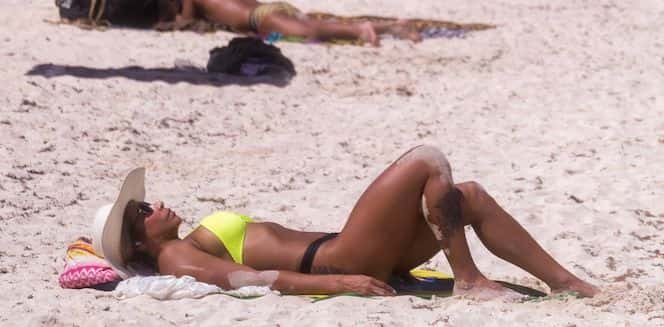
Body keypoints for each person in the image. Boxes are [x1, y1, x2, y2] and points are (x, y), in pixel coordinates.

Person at [92, 145, 599, 299]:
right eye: (142, 211)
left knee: (469, 197)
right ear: (139, 242)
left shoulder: (190, 240)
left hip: (353, 250)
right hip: (341, 257)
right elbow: (244, 279)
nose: (152, 204)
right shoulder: (177, 256)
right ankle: (468, 280)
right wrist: (341, 283)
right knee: (427, 161)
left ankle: (568, 283)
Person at [152, 0, 417, 45]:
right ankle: (392, 26)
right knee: (313, 26)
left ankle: (362, 30)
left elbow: (186, 23)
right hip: (272, 7)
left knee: (312, 32)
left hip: (258, 19)